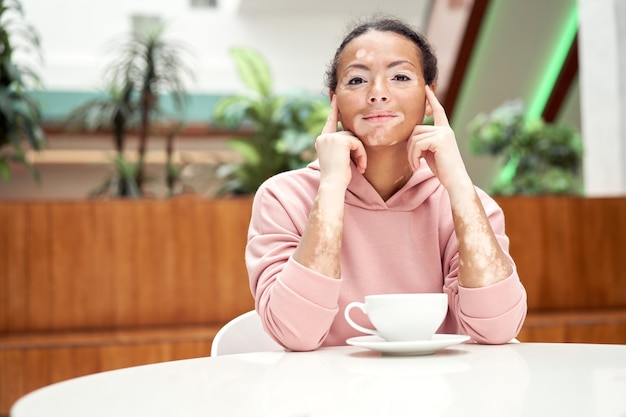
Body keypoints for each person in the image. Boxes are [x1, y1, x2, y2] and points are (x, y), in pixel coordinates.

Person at [246, 15, 527, 351]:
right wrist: (332, 187)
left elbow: (497, 329)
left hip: (446, 393)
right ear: (333, 100)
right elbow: (296, 334)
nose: (378, 93)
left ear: (428, 97)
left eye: (400, 76)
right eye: (357, 81)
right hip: (324, 397)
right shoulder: (283, 198)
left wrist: (460, 187)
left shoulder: (465, 203)